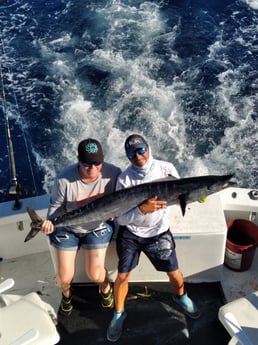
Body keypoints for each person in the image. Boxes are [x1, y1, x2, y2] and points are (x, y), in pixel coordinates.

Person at [107, 134, 200, 342]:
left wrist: (196, 195)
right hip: (131, 233)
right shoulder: (124, 179)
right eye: (132, 153)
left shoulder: (166, 169)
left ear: (148, 148)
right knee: (122, 277)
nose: (138, 156)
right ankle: (119, 313)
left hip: (159, 232)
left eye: (141, 150)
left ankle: (182, 296)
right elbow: (121, 219)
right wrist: (141, 209)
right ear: (127, 156)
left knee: (174, 273)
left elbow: (180, 195)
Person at [41, 138, 121, 316]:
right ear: (78, 160)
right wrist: (49, 223)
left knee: (94, 274)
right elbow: (55, 210)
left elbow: (123, 198)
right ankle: (67, 295)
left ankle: (105, 287)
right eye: (86, 164)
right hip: (68, 229)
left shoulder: (114, 173)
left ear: (103, 159)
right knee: (63, 278)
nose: (92, 168)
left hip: (97, 227)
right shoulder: (64, 179)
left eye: (96, 163)